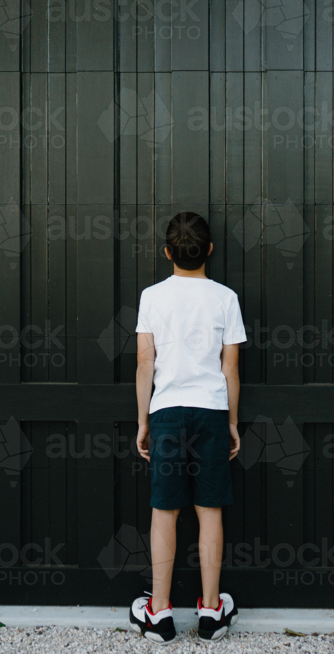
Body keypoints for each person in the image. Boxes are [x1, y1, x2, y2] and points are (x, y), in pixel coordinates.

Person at [127, 211, 246, 644]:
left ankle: (158, 613)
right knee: (209, 511)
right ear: (209, 251)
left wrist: (143, 420)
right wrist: (232, 421)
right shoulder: (226, 298)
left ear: (166, 253)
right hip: (211, 412)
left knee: (165, 511)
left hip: (167, 413)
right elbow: (230, 368)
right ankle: (212, 612)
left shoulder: (152, 296)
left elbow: (145, 362)